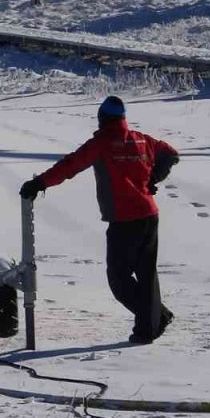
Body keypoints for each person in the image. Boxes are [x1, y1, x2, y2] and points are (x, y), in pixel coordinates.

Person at [19, 96, 179, 344]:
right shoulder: (141, 138)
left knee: (118, 279)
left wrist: (39, 183)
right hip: (149, 215)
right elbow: (170, 153)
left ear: (102, 118)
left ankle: (155, 319)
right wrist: (153, 178)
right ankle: (150, 325)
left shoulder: (102, 143)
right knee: (146, 275)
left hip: (125, 221)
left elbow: (71, 165)